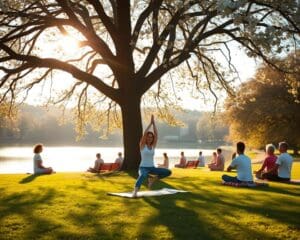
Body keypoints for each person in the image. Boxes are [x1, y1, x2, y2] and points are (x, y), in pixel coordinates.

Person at [132, 115, 172, 197]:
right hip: (143, 167)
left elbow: (156, 135)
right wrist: (150, 124)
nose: (150, 138)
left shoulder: (153, 146)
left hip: (152, 168)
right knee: (142, 175)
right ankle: (135, 192)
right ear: (146, 138)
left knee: (168, 172)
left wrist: (154, 124)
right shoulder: (142, 145)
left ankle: (152, 179)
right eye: (148, 137)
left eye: (151, 137)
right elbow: (144, 134)